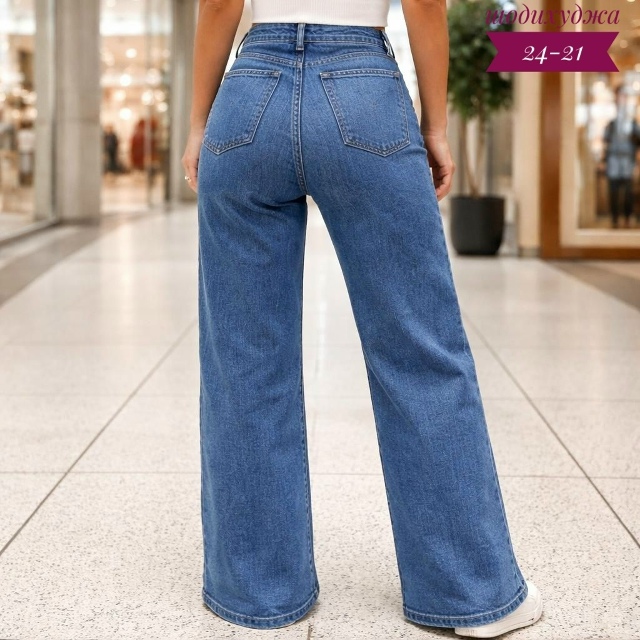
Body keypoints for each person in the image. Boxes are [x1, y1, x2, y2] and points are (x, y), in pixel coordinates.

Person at [182, 0, 543, 637]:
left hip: (248, 95)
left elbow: (219, 4)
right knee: (420, 350)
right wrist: (436, 125)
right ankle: (469, 594)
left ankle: (259, 593)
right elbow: (425, 3)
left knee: (243, 361)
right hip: (364, 94)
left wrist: (196, 124)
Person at [603, 86, 640, 228]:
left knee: (628, 191)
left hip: (628, 161)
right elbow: (606, 141)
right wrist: (604, 160)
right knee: (613, 190)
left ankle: (627, 218)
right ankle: (615, 219)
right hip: (613, 161)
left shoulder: (632, 123)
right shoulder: (612, 124)